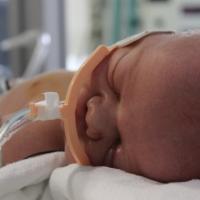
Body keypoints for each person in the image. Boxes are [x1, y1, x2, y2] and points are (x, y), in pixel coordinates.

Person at [2, 30, 200, 183]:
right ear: (129, 42)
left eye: (115, 147)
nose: (94, 117)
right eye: (115, 82)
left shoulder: (43, 138)